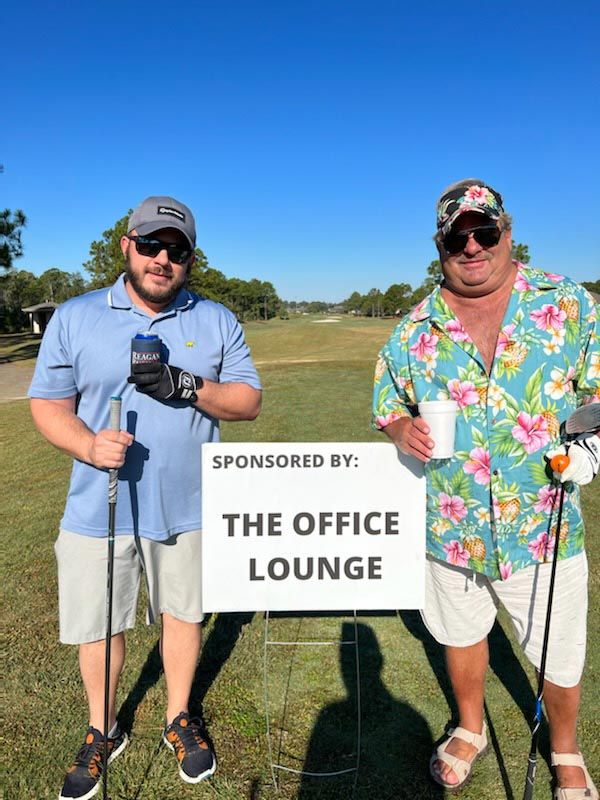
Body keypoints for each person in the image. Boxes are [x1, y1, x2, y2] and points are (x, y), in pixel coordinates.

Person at [29, 196, 262, 799]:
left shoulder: (215, 320)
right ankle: (101, 728)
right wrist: (85, 445)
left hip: (187, 507)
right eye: (153, 244)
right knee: (100, 626)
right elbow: (47, 405)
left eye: (177, 250)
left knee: (182, 614)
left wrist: (186, 385)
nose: (164, 258)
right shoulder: (77, 316)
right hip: (95, 507)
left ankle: (178, 716)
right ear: (127, 245)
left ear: (189, 258)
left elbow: (246, 402)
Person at [372, 179, 599, 799]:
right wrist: (399, 428)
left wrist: (591, 445)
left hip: (543, 524)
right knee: (460, 632)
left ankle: (566, 750)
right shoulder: (415, 328)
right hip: (451, 525)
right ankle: (470, 728)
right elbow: (387, 402)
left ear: (506, 230)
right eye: (457, 236)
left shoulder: (570, 303)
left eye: (484, 231)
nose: (472, 246)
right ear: (440, 244)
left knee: (560, 650)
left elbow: (598, 396)